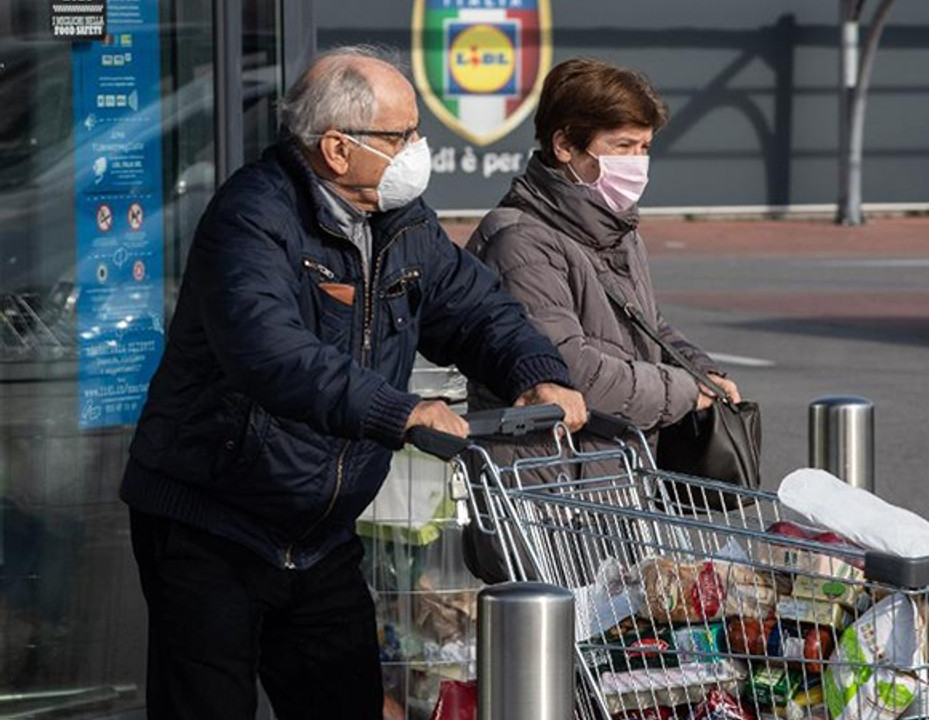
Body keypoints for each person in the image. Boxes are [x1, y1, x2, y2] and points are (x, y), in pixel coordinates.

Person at [119, 46, 586, 720]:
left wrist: (535, 372)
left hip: (318, 535)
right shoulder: (252, 217)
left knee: (346, 700)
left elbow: (476, 308)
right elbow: (270, 352)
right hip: (213, 522)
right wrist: (401, 413)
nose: (418, 149)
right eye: (402, 136)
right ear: (338, 149)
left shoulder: (403, 223)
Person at [461, 57, 743, 582]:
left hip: (612, 489)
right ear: (564, 145)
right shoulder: (520, 240)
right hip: (546, 502)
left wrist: (702, 371)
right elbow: (569, 369)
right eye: (621, 147)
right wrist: (683, 391)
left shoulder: (616, 228)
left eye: (644, 149)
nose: (637, 164)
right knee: (558, 655)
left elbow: (647, 323)